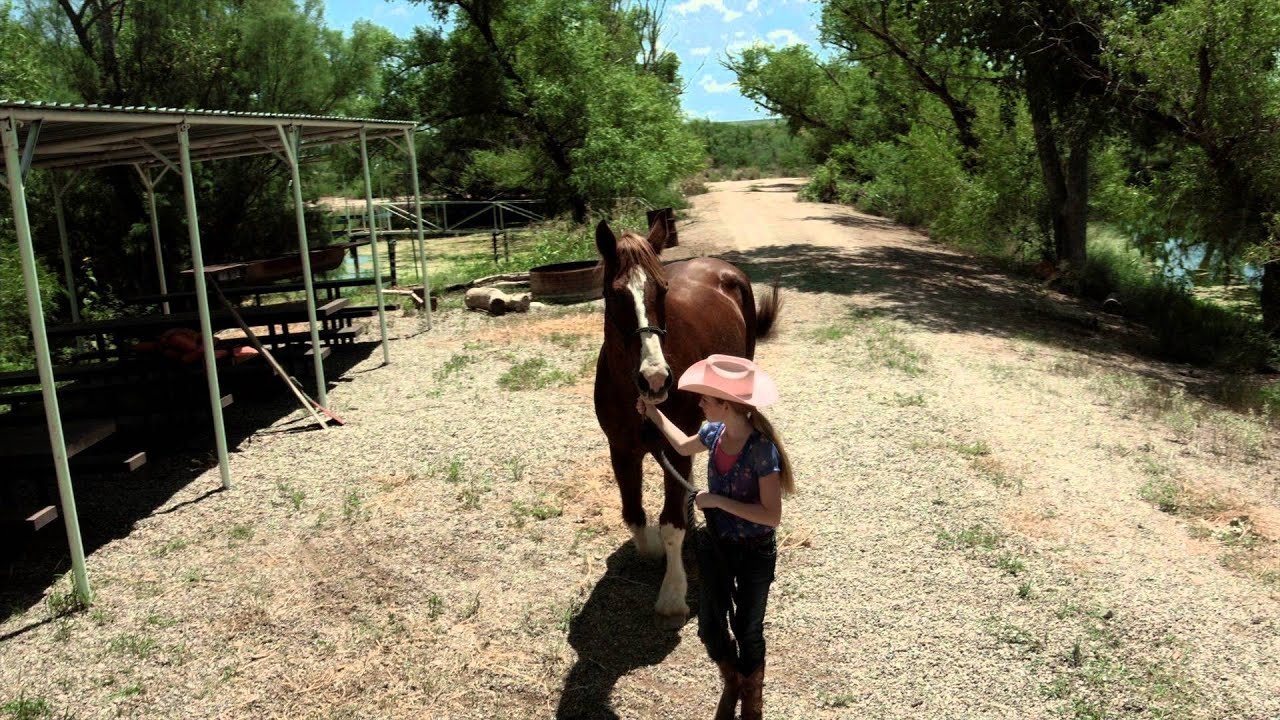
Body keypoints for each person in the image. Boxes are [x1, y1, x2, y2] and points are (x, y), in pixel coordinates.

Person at [636, 354, 795, 720]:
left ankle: (752, 703)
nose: (700, 403)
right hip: (719, 547)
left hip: (755, 553)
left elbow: (771, 516)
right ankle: (733, 682)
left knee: (748, 628)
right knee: (709, 623)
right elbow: (680, 445)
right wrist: (652, 412)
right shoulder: (714, 433)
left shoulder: (761, 452)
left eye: (707, 398)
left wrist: (717, 500)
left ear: (727, 404)